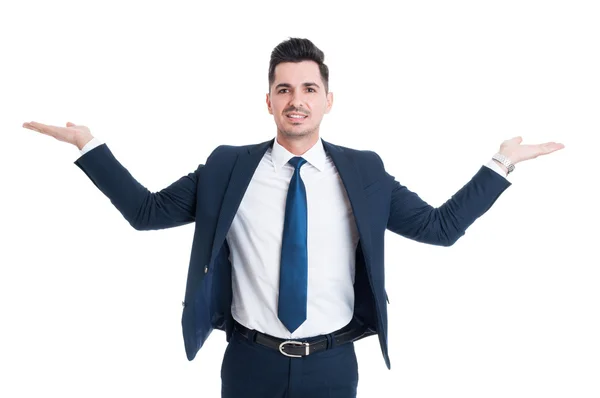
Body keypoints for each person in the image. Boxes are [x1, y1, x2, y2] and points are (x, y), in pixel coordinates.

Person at [22, 37, 564, 398]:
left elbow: (439, 229)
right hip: (248, 362)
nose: (296, 100)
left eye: (309, 89)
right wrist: (87, 145)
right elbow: (146, 214)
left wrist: (502, 164)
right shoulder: (226, 167)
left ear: (329, 99)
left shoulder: (365, 171)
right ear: (269, 101)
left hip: (332, 364)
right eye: (284, 89)